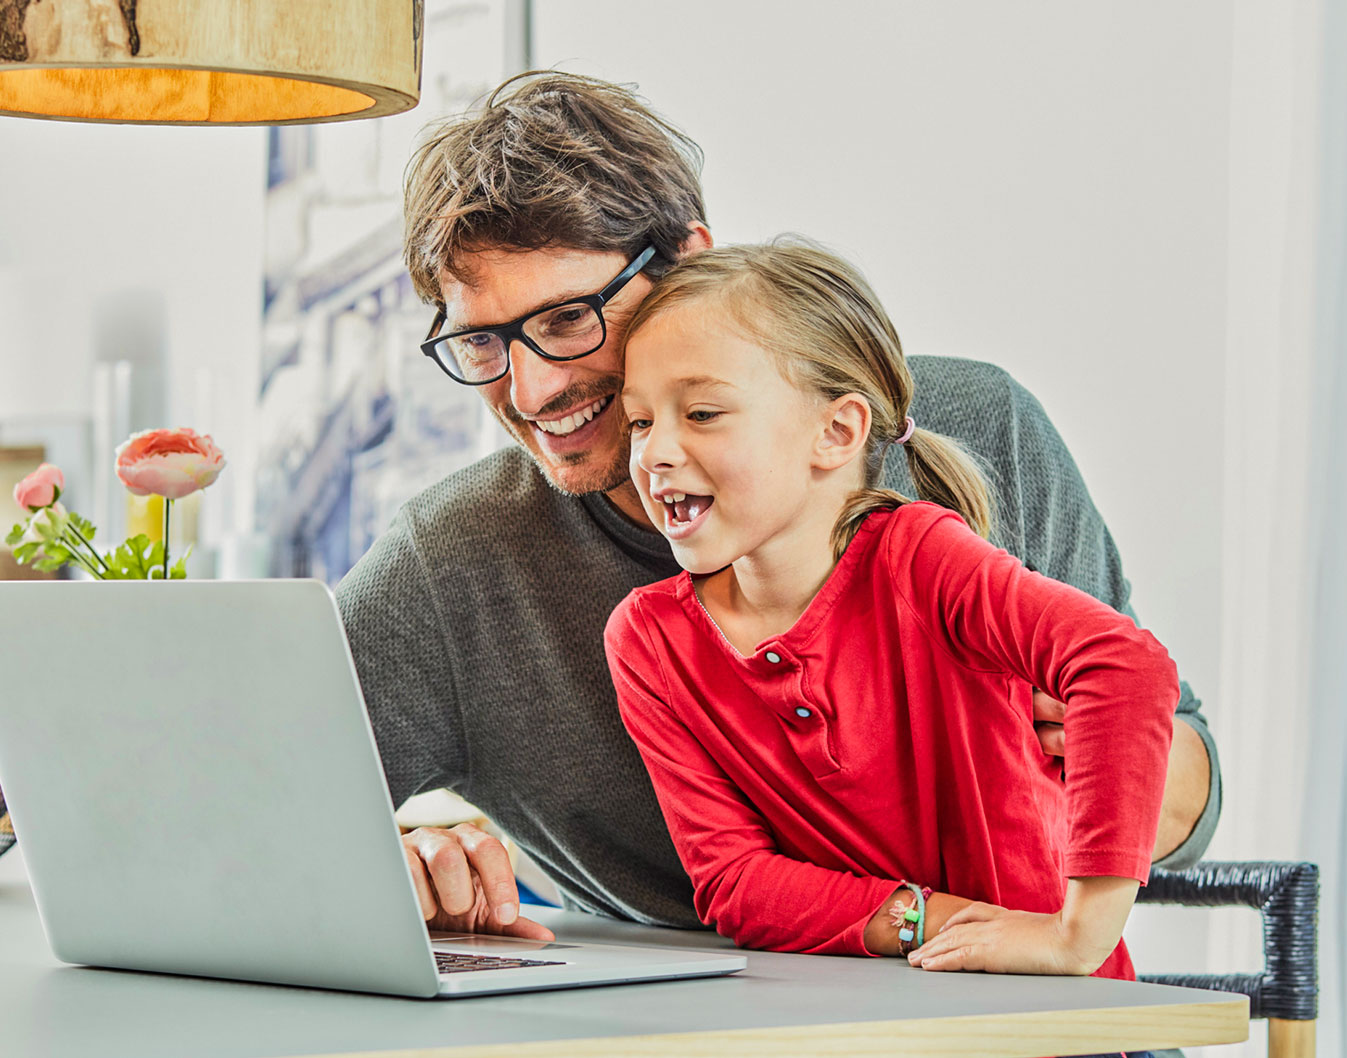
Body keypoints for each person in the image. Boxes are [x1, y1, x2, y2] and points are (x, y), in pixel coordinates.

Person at [335, 71, 1220, 941]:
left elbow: (1186, 781)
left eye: (570, 320)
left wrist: (1088, 774)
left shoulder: (981, 430)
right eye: (483, 343)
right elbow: (238, 813)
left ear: (689, 260)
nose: (530, 390)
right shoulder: (453, 566)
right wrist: (389, 859)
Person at [604, 239, 1175, 980]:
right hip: (863, 1018)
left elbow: (1124, 665)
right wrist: (927, 919)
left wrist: (1079, 935)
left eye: (704, 412)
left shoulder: (921, 558)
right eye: (642, 422)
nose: (653, 454)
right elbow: (738, 884)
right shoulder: (649, 640)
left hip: (1036, 1017)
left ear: (836, 432)